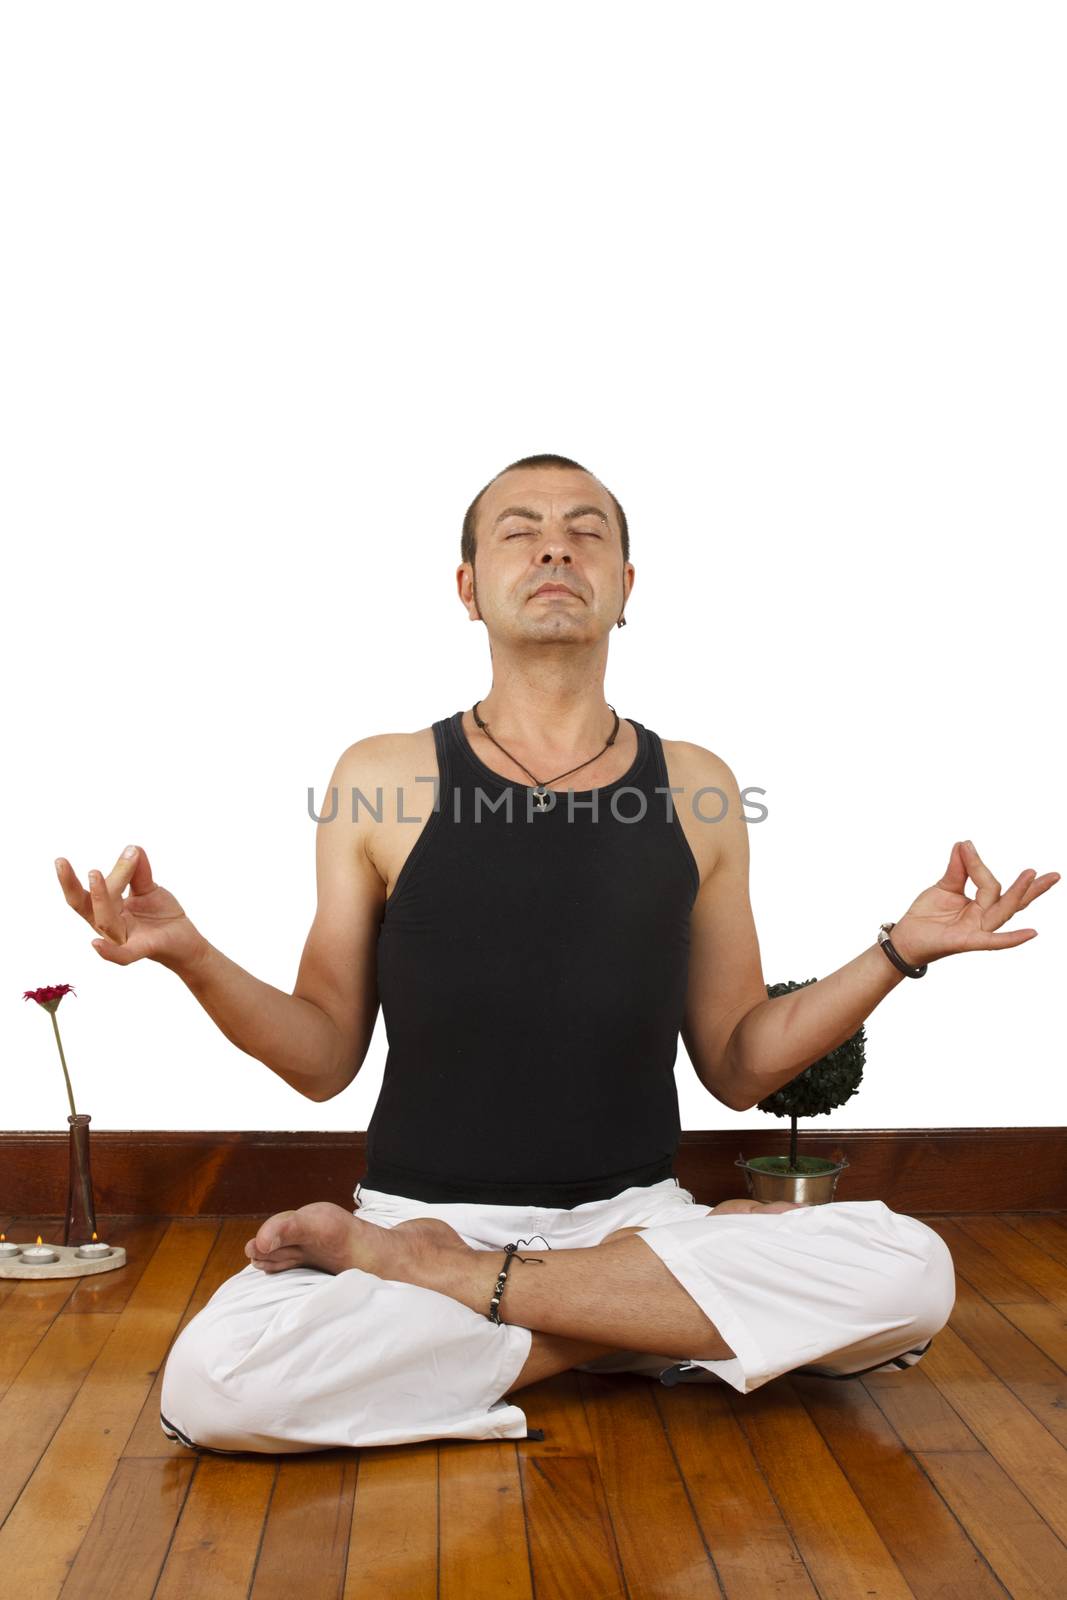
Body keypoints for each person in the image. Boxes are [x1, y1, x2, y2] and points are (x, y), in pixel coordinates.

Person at [56, 453, 1059, 1454]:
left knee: (911, 1268)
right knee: (213, 1382)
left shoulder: (698, 788)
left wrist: (896, 950)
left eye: (587, 532)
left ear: (625, 588)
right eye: (518, 529)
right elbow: (321, 1059)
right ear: (467, 589)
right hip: (420, 1214)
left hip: (629, 1232)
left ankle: (473, 1298)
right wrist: (188, 953)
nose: (553, 546)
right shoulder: (381, 776)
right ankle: (632, 1334)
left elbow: (740, 1064)